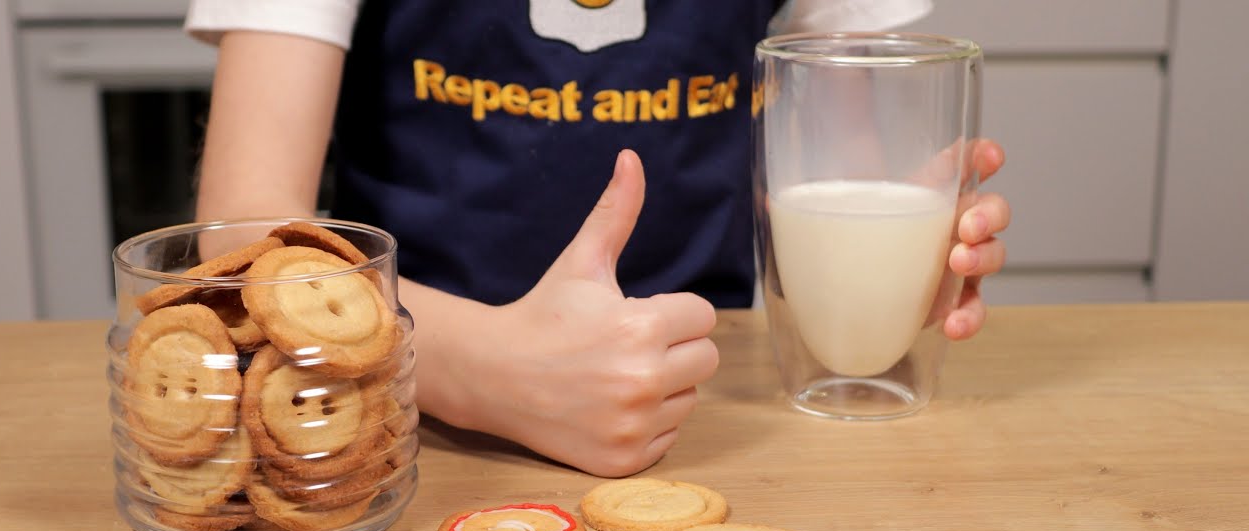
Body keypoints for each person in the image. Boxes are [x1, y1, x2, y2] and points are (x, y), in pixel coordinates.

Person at [184, 0, 1011, 477]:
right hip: (398, 426)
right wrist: (479, 370)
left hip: (709, 414)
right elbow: (240, 229)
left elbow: (842, 141)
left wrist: (879, 282)